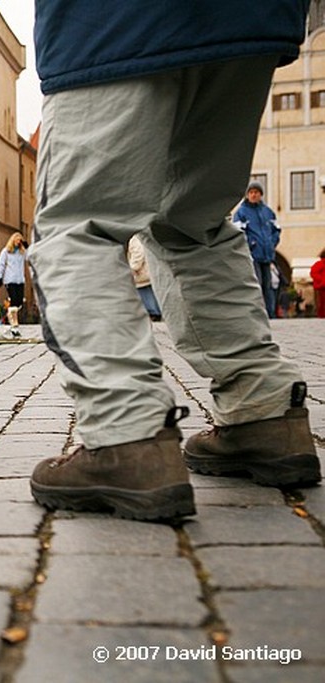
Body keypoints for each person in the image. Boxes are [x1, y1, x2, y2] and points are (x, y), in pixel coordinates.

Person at [28, 1, 320, 522]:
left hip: (113, 23)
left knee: (78, 226)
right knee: (194, 220)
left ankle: (127, 435)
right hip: (252, 18)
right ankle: (264, 412)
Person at [233, 181, 280, 317]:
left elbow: (276, 229)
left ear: (261, 195)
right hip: (252, 255)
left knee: (268, 285)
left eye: (256, 192)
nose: (254, 195)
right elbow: (239, 233)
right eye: (251, 192)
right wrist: (250, 244)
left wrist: (272, 243)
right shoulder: (241, 212)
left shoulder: (268, 212)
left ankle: (270, 314)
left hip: (267, 254)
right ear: (247, 195)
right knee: (256, 284)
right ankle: (256, 315)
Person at [0, 231, 29, 336]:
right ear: (13, 240)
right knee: (14, 301)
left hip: (20, 280)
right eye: (17, 240)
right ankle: (14, 326)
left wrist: (27, 247)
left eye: (20, 241)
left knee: (19, 303)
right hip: (10, 280)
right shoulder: (6, 252)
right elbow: (1, 264)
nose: (18, 242)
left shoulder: (21, 252)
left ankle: (10, 314)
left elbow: (29, 258)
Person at [127, 236, 162, 321]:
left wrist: (134, 267)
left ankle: (153, 312)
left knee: (145, 291)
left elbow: (138, 252)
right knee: (147, 291)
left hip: (141, 272)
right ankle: (154, 312)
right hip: (143, 271)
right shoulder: (134, 238)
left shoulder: (133, 239)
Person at [311, 247, 325, 318]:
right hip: (321, 287)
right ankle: (322, 315)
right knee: (321, 303)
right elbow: (314, 273)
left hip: (321, 285)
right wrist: (322, 280)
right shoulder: (320, 264)